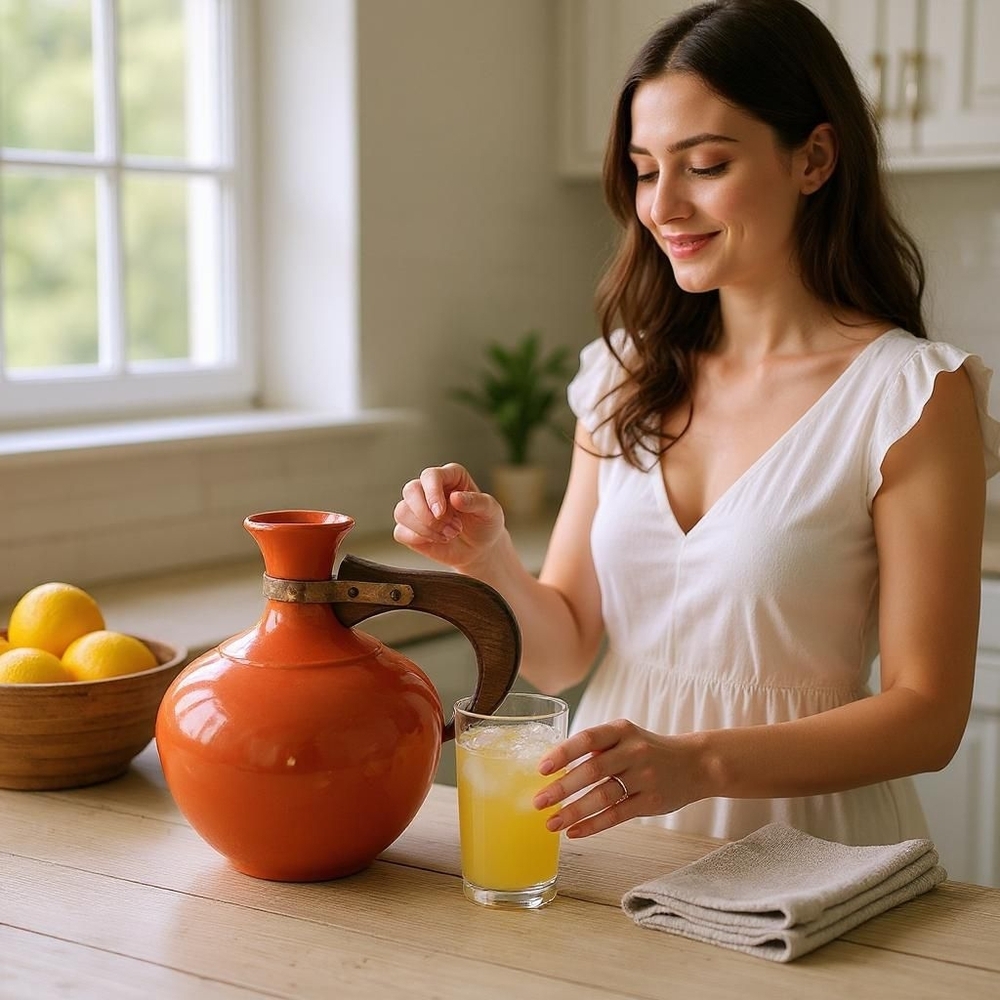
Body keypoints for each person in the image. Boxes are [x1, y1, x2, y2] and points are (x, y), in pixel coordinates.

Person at [392, 0, 1000, 847]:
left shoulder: (910, 397)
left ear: (814, 159)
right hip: (612, 836)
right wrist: (484, 558)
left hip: (809, 848)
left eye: (705, 164)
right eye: (644, 170)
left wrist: (698, 764)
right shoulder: (621, 374)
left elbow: (927, 718)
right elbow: (566, 650)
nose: (663, 205)